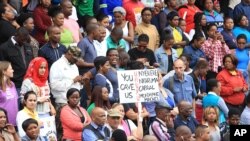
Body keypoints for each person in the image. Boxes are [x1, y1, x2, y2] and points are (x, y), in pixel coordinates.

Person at [0, 27, 34, 102]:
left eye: (25, 40)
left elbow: (32, 62)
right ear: (16, 35)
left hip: (28, 83)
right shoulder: (4, 48)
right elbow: (2, 67)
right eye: (22, 40)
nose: (24, 42)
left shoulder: (28, 46)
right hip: (15, 84)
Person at [0, 61, 18, 126]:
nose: (13, 70)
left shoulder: (12, 84)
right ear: (3, 71)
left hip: (15, 121)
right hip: (3, 123)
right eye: (10, 69)